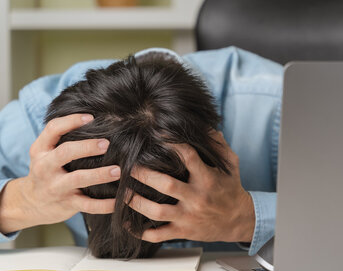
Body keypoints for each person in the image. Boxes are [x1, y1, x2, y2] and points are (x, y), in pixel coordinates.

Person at [0, 47, 282, 257]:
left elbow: (328, 218)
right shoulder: (42, 124)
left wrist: (248, 218)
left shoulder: (284, 107)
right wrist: (21, 200)